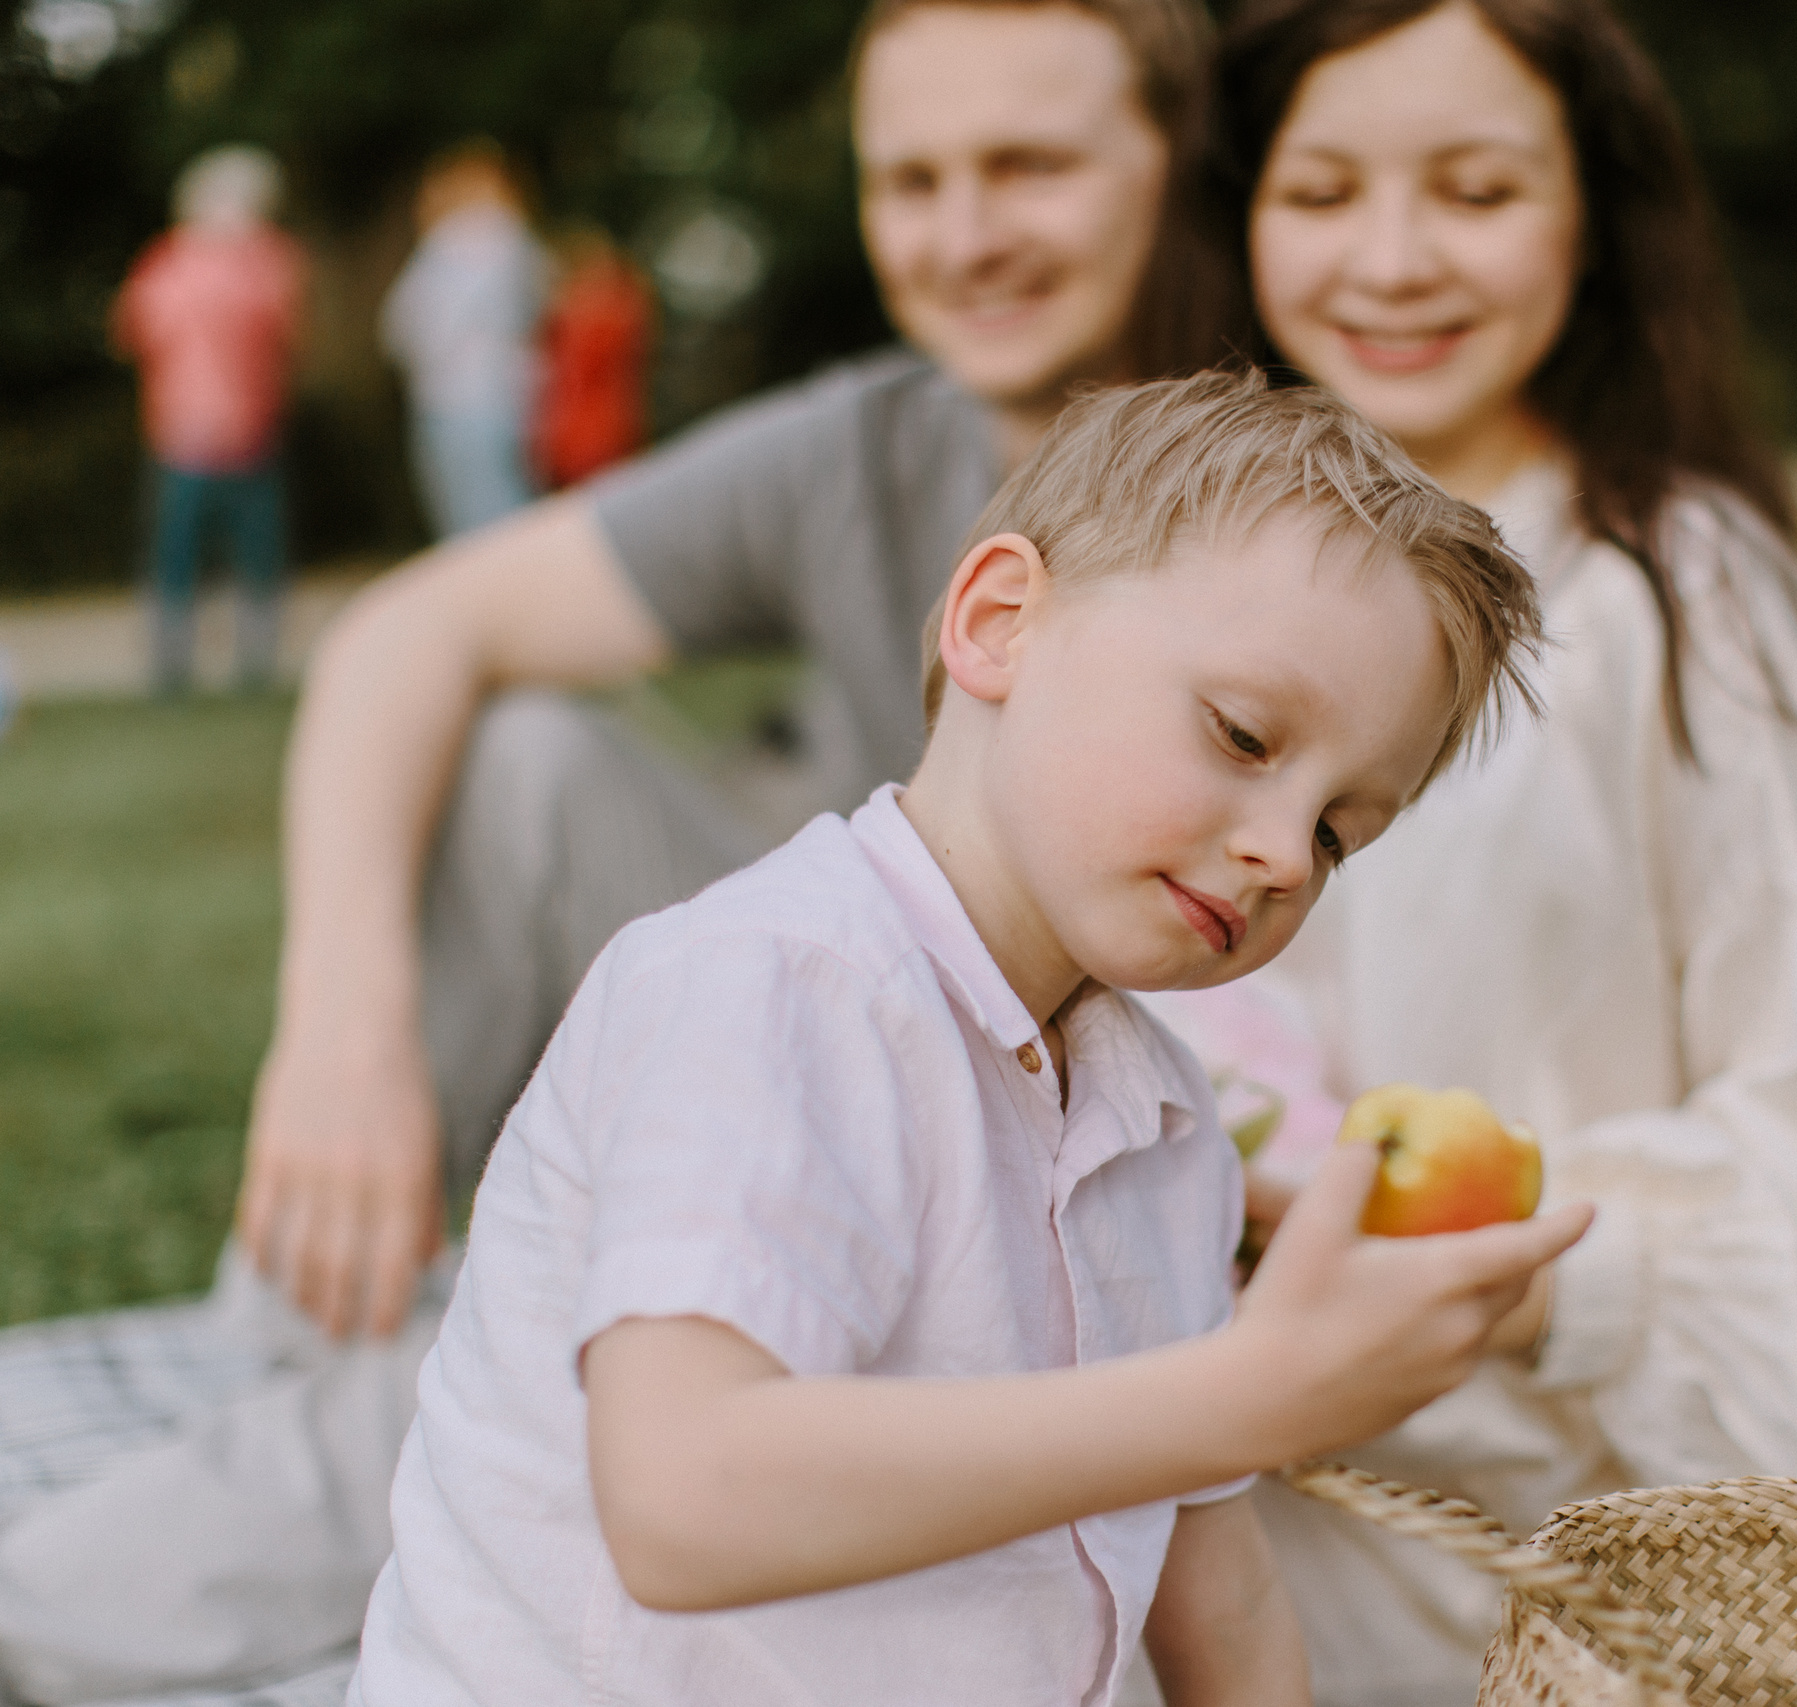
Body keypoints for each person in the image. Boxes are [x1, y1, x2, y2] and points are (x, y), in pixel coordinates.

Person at [0, 2, 1234, 1699]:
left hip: (1046, 1167)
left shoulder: (1284, 491)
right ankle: (301, 1330)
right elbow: (405, 633)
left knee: (457, 1424)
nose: (963, 235)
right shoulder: (876, 438)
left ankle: (263, 1483)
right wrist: (340, 1027)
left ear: (1174, 158)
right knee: (524, 756)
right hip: (805, 1102)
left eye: (1026, 165)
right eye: (911, 177)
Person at [346, 368, 1583, 1707]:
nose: (1284, 850)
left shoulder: (1159, 1118)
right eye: (1241, 734)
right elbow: (684, 1497)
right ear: (1000, 622)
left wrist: (1237, 1395)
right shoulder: (777, 984)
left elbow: (1216, 1589)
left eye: (1343, 828)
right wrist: (1243, 1393)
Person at [1139, 2, 1797, 1700]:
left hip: (1542, 1538)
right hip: (1177, 1479)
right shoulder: (1146, 583)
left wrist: (1499, 1280)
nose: (1390, 259)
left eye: (1475, 188)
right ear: (1238, 215)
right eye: (1321, 192)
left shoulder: (1682, 606)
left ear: (1593, 218)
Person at [111, 144, 306, 696]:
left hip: (247, 434)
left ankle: (254, 665)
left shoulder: (263, 261)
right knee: (179, 555)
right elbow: (135, 330)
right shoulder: (173, 264)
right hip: (185, 436)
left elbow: (281, 325)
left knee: (257, 554)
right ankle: (172, 668)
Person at [378, 140, 549, 538]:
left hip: (457, 400)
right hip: (505, 398)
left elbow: (405, 328)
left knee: (476, 522)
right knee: (501, 512)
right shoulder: (516, 243)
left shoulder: (465, 241)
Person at [533, 224, 653, 490]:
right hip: (618, 423)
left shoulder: (582, 313)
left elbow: (568, 374)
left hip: (579, 432)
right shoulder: (628, 303)